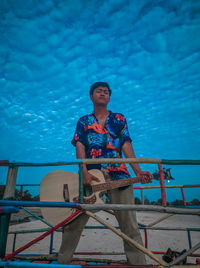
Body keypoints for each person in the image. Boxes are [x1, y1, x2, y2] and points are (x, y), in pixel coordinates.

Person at [58, 82, 152, 264]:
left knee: (129, 225)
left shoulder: (118, 118)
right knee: (74, 222)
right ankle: (62, 262)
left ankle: (138, 264)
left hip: (120, 175)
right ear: (91, 96)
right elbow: (80, 146)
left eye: (106, 92)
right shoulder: (84, 121)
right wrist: (83, 171)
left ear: (109, 97)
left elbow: (126, 144)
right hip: (91, 175)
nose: (103, 93)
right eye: (99, 91)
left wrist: (138, 171)